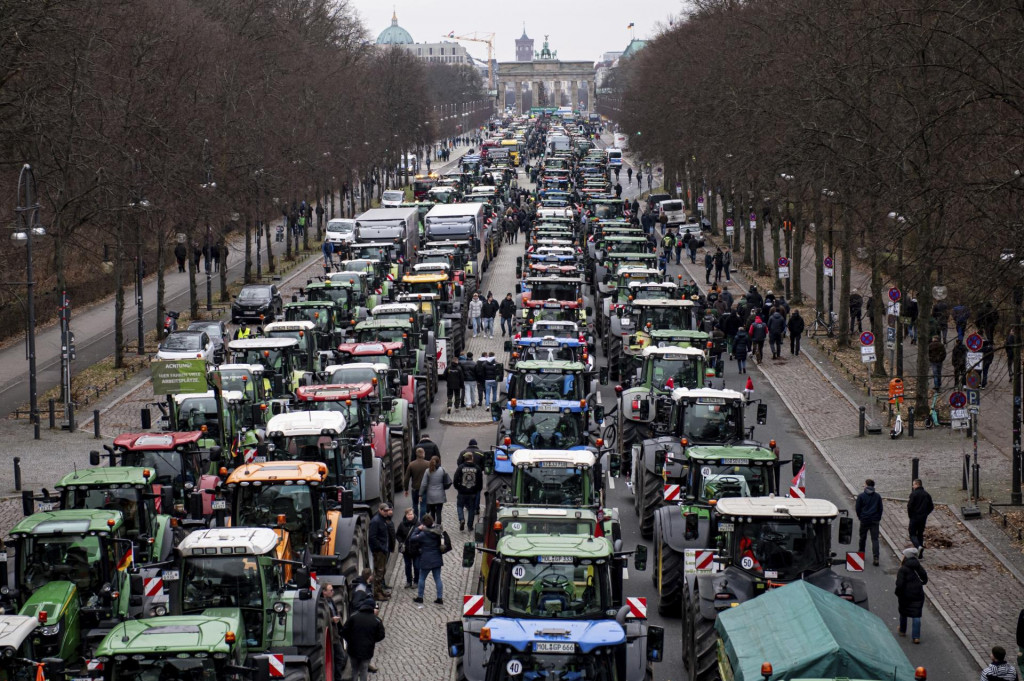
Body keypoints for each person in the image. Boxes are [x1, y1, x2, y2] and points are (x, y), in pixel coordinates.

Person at [341, 597, 385, 681]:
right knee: (364, 670)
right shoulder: (376, 620)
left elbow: (344, 631)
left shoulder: (353, 617)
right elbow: (381, 635)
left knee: (354, 670)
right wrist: (372, 640)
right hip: (367, 650)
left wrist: (349, 640)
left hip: (353, 649)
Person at [895, 547, 928, 644]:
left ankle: (902, 630)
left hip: (905, 595)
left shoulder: (903, 569)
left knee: (903, 612)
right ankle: (916, 637)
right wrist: (921, 583)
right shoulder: (918, 566)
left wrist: (898, 593)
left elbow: (899, 584)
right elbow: (924, 576)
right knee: (916, 614)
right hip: (918, 593)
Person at [410, 513, 444, 605]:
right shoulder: (437, 531)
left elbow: (412, 538)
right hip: (437, 557)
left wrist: (418, 529)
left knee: (422, 578)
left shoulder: (423, 534)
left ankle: (420, 597)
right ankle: (439, 598)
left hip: (426, 559)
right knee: (437, 578)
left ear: (424, 524)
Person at [321, 583, 348, 679]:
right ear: (324, 592)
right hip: (331, 635)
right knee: (339, 657)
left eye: (332, 590)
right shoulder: (322, 604)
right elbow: (324, 620)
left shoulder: (331, 601)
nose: (333, 592)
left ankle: (337, 677)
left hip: (335, 634)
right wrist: (332, 620)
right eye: (330, 590)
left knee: (341, 657)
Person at [368, 503, 394, 602]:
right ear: (380, 510)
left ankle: (380, 591)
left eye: (387, 511)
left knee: (382, 571)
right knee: (379, 572)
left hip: (383, 550)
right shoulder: (376, 521)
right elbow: (372, 538)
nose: (387, 512)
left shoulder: (382, 520)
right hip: (379, 551)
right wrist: (381, 547)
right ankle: (377, 593)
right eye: (385, 511)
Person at [856, 479, 884, 566]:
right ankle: (876, 557)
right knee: (875, 539)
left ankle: (861, 554)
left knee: (862, 538)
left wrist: (860, 517)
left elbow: (857, 508)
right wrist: (878, 518)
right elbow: (880, 509)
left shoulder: (861, 496)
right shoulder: (877, 496)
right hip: (875, 520)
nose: (863, 485)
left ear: (867, 485)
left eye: (864, 484)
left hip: (864, 519)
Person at [453, 452, 483, 532]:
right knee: (471, 509)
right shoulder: (477, 468)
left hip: (462, 491)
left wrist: (458, 488)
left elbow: (455, 479)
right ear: (472, 458)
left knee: (460, 506)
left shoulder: (460, 468)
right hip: (472, 492)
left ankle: (461, 519)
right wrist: (477, 490)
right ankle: (470, 526)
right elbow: (480, 482)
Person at [907, 478, 934, 557]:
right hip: (923, 518)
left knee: (912, 534)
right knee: (920, 534)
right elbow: (931, 506)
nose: (913, 486)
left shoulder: (914, 494)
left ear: (917, 485)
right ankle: (920, 554)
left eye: (913, 484)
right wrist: (925, 513)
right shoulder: (926, 494)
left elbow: (909, 506)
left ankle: (918, 546)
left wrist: (910, 515)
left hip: (914, 517)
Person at [419, 456, 450, 521]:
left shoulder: (427, 471)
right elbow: (447, 480)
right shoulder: (442, 470)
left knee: (432, 512)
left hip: (431, 495)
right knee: (439, 513)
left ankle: (432, 526)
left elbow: (424, 484)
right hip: (440, 494)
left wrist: (420, 494)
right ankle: (438, 527)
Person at [404, 447, 431, 520]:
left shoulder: (411, 464)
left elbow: (406, 478)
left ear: (416, 454)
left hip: (415, 488)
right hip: (425, 489)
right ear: (423, 454)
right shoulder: (428, 464)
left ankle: (415, 520)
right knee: (423, 505)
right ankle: (422, 521)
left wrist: (406, 489)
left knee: (415, 505)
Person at [396, 507, 420, 589]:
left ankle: (416, 581)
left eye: (411, 514)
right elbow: (398, 535)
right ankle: (409, 581)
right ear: (406, 515)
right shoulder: (402, 524)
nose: (410, 516)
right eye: (408, 514)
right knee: (407, 566)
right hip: (406, 550)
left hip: (416, 550)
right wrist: (401, 542)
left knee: (416, 566)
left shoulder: (418, 524)